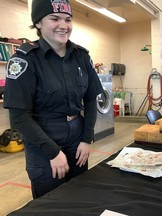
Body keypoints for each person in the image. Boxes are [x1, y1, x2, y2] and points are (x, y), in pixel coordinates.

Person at [3, 0, 104, 199]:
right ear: (39, 23)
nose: (63, 25)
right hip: (42, 138)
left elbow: (91, 99)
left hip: (77, 135)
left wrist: (86, 138)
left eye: (68, 19)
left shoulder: (81, 56)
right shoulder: (25, 59)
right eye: (54, 18)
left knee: (80, 194)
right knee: (51, 201)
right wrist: (53, 152)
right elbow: (19, 117)